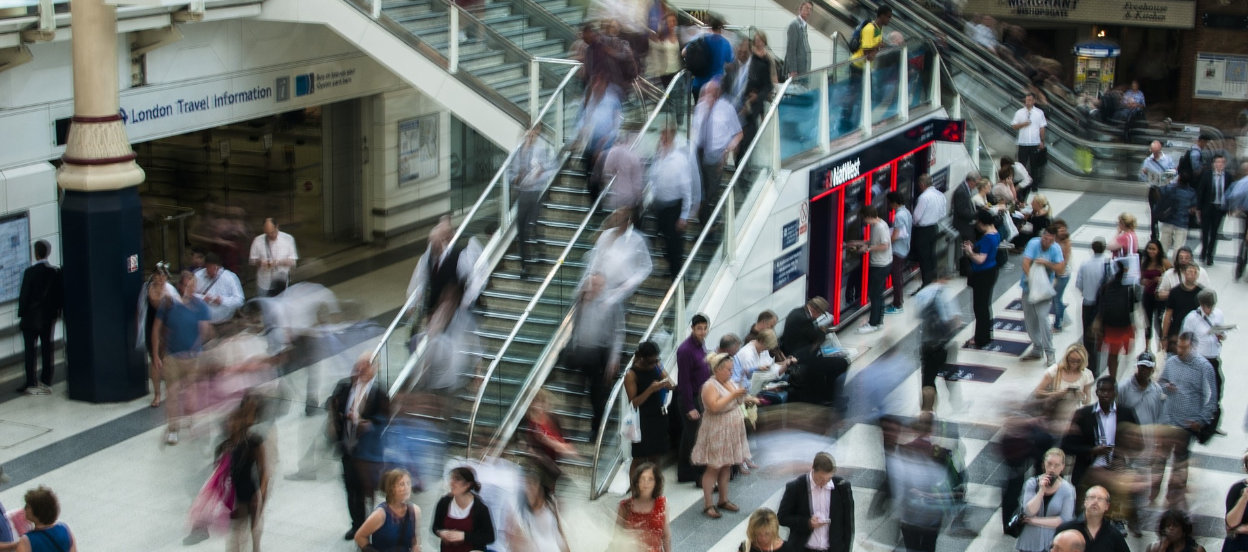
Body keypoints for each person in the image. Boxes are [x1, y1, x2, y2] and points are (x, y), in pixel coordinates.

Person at [329, 353, 392, 540]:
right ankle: (356, 524)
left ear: (375, 368)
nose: (362, 368)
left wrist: (368, 424)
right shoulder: (345, 387)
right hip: (348, 449)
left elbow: (384, 420)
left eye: (367, 365)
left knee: (368, 491)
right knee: (351, 489)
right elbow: (333, 406)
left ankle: (370, 525)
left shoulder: (379, 394)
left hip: (368, 453)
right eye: (360, 364)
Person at [151, 270, 213, 445]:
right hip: (173, 357)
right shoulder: (169, 304)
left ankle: (193, 421)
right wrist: (156, 354)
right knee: (172, 394)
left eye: (193, 286)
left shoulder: (200, 307)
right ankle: (173, 429)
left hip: (194, 358)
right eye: (187, 285)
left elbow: (205, 331)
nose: (190, 289)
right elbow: (156, 328)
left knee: (193, 394)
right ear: (180, 286)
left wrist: (197, 348)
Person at [1156, 332, 1217, 509]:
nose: (1180, 350)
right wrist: (1166, 386)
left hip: (1187, 424)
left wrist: (1202, 419)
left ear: (1193, 347)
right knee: (1160, 458)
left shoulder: (1204, 367)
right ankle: (1154, 491)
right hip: (1168, 420)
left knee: (1180, 461)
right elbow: (1160, 382)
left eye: (1184, 348)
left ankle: (1173, 495)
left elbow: (1212, 397)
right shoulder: (1172, 362)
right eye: (1179, 347)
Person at [692, 352, 756, 518]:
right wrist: (733, 395)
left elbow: (736, 401)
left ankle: (723, 499)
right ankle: (708, 504)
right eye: (728, 369)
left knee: (727, 464)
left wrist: (745, 397)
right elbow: (713, 407)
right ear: (717, 370)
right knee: (714, 467)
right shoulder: (709, 386)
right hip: (717, 429)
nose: (730, 372)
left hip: (732, 428)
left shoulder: (730, 382)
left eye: (731, 369)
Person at [565, 273, 625, 441]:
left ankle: (596, 430)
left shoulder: (611, 303)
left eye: (598, 285)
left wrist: (614, 358)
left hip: (601, 352)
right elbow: (575, 324)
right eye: (593, 284)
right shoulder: (582, 300)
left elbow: (618, 332)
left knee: (597, 395)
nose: (595, 288)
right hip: (582, 351)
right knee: (576, 390)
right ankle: (572, 429)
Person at [1061, 378, 1139, 493]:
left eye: (1109, 391)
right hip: (1088, 473)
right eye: (1102, 390)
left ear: (1115, 392)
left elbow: (1137, 441)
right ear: (1096, 392)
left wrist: (1122, 454)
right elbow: (1067, 445)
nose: (1105, 394)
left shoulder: (1126, 413)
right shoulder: (1083, 415)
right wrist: (1092, 450)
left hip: (1116, 473)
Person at [405, 215, 484, 323]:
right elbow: (420, 279)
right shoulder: (429, 255)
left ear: (446, 239)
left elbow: (476, 278)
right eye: (431, 242)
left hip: (456, 310)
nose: (433, 246)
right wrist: (412, 304)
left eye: (436, 242)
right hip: (436, 309)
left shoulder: (461, 253)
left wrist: (465, 303)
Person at [647, 123, 699, 281]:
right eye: (661, 135)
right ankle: (671, 269)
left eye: (665, 136)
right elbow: (653, 178)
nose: (662, 138)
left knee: (675, 245)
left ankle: (677, 276)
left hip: (674, 207)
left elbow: (686, 189)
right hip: (660, 206)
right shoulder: (659, 156)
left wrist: (684, 215)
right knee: (664, 241)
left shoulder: (679, 159)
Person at [778, 452, 854, 552]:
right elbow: (782, 517)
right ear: (813, 470)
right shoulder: (796, 487)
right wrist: (807, 523)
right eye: (820, 479)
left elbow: (848, 525)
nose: (824, 483)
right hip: (804, 548)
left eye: (828, 479)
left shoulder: (842, 487)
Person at [692, 79, 743, 224]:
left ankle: (709, 224)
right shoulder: (700, 107)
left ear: (717, 93)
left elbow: (738, 134)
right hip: (700, 152)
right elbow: (695, 130)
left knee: (710, 193)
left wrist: (727, 150)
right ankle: (706, 223)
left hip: (717, 155)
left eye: (711, 93)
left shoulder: (727, 108)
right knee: (701, 192)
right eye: (706, 93)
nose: (707, 96)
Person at [16, 240, 62, 396]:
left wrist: (21, 314)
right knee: (46, 348)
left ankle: (31, 381)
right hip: (47, 318)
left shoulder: (30, 273)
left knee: (30, 351)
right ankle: (46, 380)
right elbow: (58, 296)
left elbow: (24, 297)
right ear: (47, 253)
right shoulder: (54, 273)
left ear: (36, 253)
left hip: (31, 318)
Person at [511, 127, 555, 275]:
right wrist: (515, 179)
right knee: (521, 229)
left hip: (535, 192)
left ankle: (540, 251)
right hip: (523, 194)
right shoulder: (518, 152)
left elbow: (550, 169)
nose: (530, 137)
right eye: (528, 134)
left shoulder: (540, 151)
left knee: (534, 224)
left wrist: (539, 176)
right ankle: (524, 265)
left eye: (532, 134)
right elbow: (510, 173)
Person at [914, 271, 960, 411]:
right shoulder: (944, 293)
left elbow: (918, 316)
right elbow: (955, 319)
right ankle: (955, 403)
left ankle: (928, 407)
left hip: (926, 342)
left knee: (927, 377)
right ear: (942, 278)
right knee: (949, 373)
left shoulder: (921, 293)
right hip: (942, 343)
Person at [1016, 449, 1076, 552]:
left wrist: (1033, 521)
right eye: (1049, 464)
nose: (1052, 469)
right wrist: (1041, 491)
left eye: (1057, 465)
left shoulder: (1068, 490)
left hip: (1052, 543)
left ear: (1062, 467)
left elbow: (1065, 519)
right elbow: (1029, 512)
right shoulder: (1032, 483)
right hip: (1029, 542)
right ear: (1044, 464)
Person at [1021, 226, 1065, 365]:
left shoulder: (1055, 249)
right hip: (1029, 287)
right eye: (1045, 238)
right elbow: (1025, 263)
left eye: (1050, 240)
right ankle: (1037, 347)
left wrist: (1046, 263)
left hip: (1044, 290)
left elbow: (1060, 268)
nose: (1046, 242)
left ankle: (1049, 351)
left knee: (1043, 318)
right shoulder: (1034, 243)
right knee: (1030, 318)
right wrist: (1033, 280)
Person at [624, 341, 673, 467]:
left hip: (657, 416)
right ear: (642, 358)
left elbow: (671, 384)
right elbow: (633, 403)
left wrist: (665, 382)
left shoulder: (657, 366)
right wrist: (650, 390)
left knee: (655, 456)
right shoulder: (631, 374)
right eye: (651, 362)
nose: (654, 364)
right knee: (639, 458)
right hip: (642, 420)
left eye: (656, 360)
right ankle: (635, 486)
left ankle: (654, 484)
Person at [676, 314, 711, 484]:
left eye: (705, 328)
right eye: (699, 329)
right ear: (692, 328)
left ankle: (686, 472)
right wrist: (690, 406)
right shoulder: (685, 350)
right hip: (691, 397)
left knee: (690, 435)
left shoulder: (700, 345)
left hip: (701, 395)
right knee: (694, 436)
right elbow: (684, 381)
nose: (702, 332)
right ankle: (694, 473)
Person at [1179, 289, 1225, 415]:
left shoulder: (1218, 314)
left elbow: (1223, 334)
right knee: (1198, 390)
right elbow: (1185, 338)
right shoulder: (1192, 318)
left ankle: (1212, 420)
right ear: (1201, 304)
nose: (1209, 309)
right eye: (1206, 306)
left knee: (1217, 386)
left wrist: (1221, 335)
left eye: (1211, 306)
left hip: (1213, 357)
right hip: (1198, 359)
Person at [504, 467, 569, 552]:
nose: (529, 490)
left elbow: (560, 533)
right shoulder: (521, 513)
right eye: (527, 486)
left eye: (532, 485)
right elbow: (513, 543)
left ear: (540, 488)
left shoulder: (551, 505)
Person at [432, 466, 495, 552]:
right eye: (452, 479)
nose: (452, 483)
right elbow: (435, 527)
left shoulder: (480, 508)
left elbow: (489, 537)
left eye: (457, 480)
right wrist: (441, 533)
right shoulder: (444, 502)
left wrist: (464, 536)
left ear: (467, 485)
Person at [355, 468, 420, 552]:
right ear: (391, 489)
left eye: (408, 483)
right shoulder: (380, 514)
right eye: (401, 484)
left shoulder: (415, 510)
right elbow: (359, 537)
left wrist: (416, 546)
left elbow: (415, 539)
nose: (406, 488)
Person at [520, 389, 577, 481]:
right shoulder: (527, 423)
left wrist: (553, 443)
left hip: (553, 463)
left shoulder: (554, 418)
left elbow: (566, 442)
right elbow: (527, 447)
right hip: (541, 467)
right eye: (533, 401)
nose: (537, 405)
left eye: (540, 401)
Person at [616, 462, 672, 552]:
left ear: (656, 483)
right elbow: (617, 537)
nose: (646, 483)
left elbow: (666, 536)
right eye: (642, 479)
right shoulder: (625, 506)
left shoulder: (662, 504)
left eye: (650, 479)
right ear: (637, 482)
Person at [964, 210, 1000, 349]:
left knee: (980, 307)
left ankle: (981, 338)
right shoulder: (995, 233)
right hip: (991, 271)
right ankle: (984, 334)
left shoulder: (987, 238)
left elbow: (980, 259)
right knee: (985, 305)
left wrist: (969, 252)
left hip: (983, 274)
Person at [1096, 260, 1138, 378]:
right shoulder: (1129, 287)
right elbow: (1133, 306)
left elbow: (1101, 306)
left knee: (1113, 354)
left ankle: (1113, 378)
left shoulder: (1106, 286)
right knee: (1125, 354)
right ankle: (1119, 377)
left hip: (1110, 326)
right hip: (1123, 325)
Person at [1076, 238, 1112, 375]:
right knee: (1101, 335)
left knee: (1088, 337)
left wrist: (1087, 292)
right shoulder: (1108, 263)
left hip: (1088, 303)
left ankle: (1091, 367)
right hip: (1104, 305)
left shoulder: (1085, 264)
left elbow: (1079, 284)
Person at [854, 206, 891, 334]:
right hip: (883, 263)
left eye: (865, 219)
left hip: (880, 265)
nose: (864, 222)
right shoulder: (880, 224)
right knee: (878, 295)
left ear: (868, 217)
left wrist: (868, 249)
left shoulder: (880, 227)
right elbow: (874, 241)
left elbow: (884, 245)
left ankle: (873, 323)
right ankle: (878, 321)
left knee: (874, 295)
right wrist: (858, 243)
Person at [12, 486, 77, 552]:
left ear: (38, 510)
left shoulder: (26, 541)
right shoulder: (65, 529)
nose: (25, 509)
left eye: (28, 506)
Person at [911, 174, 947, 287]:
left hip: (923, 231)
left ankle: (926, 283)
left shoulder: (924, 197)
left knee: (924, 258)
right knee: (932, 255)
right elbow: (943, 213)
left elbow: (916, 217)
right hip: (934, 228)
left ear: (922, 184)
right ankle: (933, 279)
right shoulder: (940, 195)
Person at [685, 15, 733, 100]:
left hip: (698, 85)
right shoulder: (725, 43)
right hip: (714, 88)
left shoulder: (701, 39)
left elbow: (684, 52)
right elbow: (729, 60)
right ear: (721, 28)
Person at [1196, 153, 1231, 266]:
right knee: (1205, 231)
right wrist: (1198, 208)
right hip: (1207, 207)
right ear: (1213, 164)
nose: (1219, 164)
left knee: (1214, 233)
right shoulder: (1207, 175)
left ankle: (1210, 255)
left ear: (1224, 164)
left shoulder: (1228, 176)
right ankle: (1204, 250)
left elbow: (1230, 192)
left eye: (1222, 162)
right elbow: (1200, 191)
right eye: (1217, 162)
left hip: (1219, 209)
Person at [248, 217, 297, 297]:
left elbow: (293, 261)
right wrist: (260, 262)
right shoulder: (257, 240)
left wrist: (278, 262)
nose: (270, 235)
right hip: (264, 282)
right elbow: (252, 260)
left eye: (272, 232)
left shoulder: (288, 239)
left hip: (281, 282)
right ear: (264, 230)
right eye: (268, 233)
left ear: (277, 227)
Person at [193, 252, 244, 324]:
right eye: (209, 268)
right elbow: (189, 294)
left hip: (223, 317)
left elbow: (239, 300)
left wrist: (222, 300)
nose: (212, 271)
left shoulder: (230, 277)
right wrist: (202, 298)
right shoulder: (198, 275)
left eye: (214, 268)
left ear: (218, 267)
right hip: (202, 319)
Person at [1161, 264, 1203, 351]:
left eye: (1195, 272)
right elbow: (1168, 314)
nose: (1192, 274)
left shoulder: (1202, 293)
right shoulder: (1175, 292)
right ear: (1184, 273)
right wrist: (1164, 337)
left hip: (1194, 334)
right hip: (1176, 332)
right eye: (1190, 271)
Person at [1140, 240, 1172, 352]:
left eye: (1154, 249)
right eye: (1149, 248)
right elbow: (1139, 277)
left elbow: (1172, 275)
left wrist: (1162, 279)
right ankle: (1147, 348)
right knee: (1147, 322)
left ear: (1158, 250)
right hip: (1147, 295)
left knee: (1159, 321)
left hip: (1160, 297)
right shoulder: (1145, 262)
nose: (1151, 251)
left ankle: (1160, 346)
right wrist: (1143, 281)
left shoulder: (1164, 262)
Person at [1012, 92, 1047, 191]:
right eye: (1027, 100)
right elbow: (1014, 126)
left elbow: (1042, 127)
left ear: (1034, 101)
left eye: (1030, 100)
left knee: (1034, 166)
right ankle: (1021, 185)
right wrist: (1023, 124)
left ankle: (1034, 186)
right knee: (1021, 165)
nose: (1028, 102)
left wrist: (1042, 140)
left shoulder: (1039, 113)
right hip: (1023, 143)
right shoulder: (1019, 112)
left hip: (1034, 143)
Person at [887, 192, 912, 313]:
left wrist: (886, 243)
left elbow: (895, 235)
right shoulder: (906, 212)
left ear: (894, 203)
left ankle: (897, 305)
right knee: (898, 276)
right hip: (904, 248)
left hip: (897, 250)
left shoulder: (899, 216)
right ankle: (898, 302)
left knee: (896, 278)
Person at [1050, 220, 1073, 333]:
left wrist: (1057, 272)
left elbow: (1065, 260)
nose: (1063, 231)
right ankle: (1064, 319)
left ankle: (1058, 324)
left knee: (1057, 298)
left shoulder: (1066, 243)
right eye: (1060, 229)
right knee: (1055, 299)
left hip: (1062, 274)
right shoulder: (1054, 240)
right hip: (1056, 272)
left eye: (1064, 229)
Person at [1224, 452, 1248, 552]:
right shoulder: (1237, 488)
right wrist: (1244, 498)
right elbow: (1230, 524)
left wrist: (1240, 529)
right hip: (1238, 543)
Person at [785, 1, 812, 80]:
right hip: (797, 72)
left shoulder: (804, 25)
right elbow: (791, 49)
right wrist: (793, 70)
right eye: (807, 8)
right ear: (800, 9)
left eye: (810, 9)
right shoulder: (794, 25)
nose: (809, 11)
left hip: (804, 69)